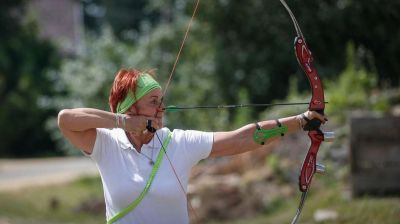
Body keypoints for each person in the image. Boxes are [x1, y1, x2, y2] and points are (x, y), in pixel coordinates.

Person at [58, 68, 327, 224]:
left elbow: (241, 138)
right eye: (153, 101)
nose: (161, 108)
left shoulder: (178, 143)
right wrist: (123, 123)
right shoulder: (106, 144)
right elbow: (66, 119)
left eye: (161, 100)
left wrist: (300, 122)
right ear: (131, 108)